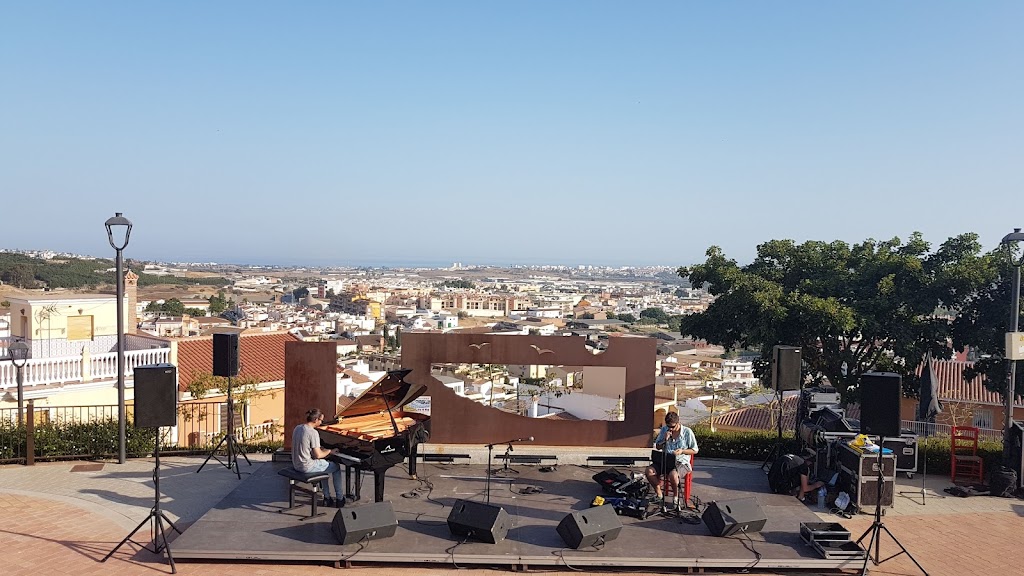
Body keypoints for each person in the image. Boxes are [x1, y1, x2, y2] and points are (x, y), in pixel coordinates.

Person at [292, 408, 345, 507]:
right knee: (336, 467)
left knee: (323, 466)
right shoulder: (313, 432)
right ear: (316, 420)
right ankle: (340, 498)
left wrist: (321, 449)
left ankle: (327, 498)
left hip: (296, 464)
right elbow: (318, 455)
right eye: (321, 420)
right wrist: (330, 451)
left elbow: (306, 447)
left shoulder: (298, 428)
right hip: (307, 466)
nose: (321, 423)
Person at [644, 411, 698, 509]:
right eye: (668, 426)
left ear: (678, 423)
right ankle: (659, 494)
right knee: (649, 471)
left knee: (673, 475)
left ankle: (676, 497)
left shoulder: (687, 432)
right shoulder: (665, 430)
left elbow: (695, 450)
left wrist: (682, 451)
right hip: (665, 460)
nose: (670, 429)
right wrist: (665, 439)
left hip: (681, 462)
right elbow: (658, 446)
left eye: (672, 427)